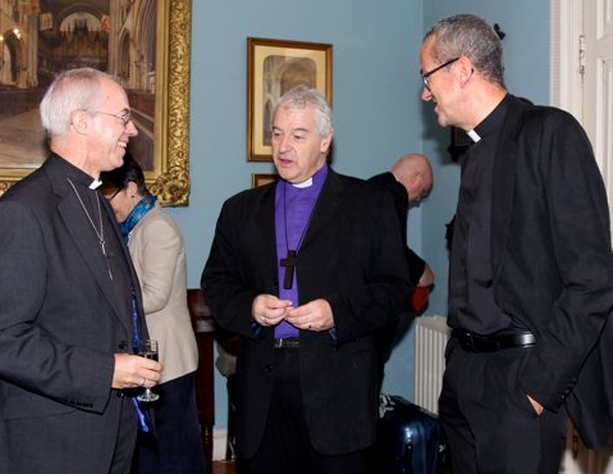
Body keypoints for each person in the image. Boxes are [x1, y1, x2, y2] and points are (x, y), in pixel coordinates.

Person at [420, 14, 613, 474]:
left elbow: (593, 280)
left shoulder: (551, 133)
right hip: (465, 376)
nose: (425, 93)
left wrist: (538, 387)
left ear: (462, 69)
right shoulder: (474, 152)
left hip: (520, 381)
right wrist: (456, 364)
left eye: (428, 77)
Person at [201, 85, 412, 474]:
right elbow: (216, 282)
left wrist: (337, 312)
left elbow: (395, 289)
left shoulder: (369, 204)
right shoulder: (240, 210)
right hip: (263, 387)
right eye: (277, 134)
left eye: (298, 136)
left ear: (325, 142)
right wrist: (250, 305)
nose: (283, 146)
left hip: (338, 391)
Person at [0, 67, 163, 474]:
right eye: (123, 117)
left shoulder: (96, 202)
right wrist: (105, 370)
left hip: (109, 430)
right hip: (46, 443)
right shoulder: (23, 211)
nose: (131, 131)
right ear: (80, 121)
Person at [100, 154, 206, 474]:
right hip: (149, 359)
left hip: (169, 362)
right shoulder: (135, 227)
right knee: (151, 454)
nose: (107, 205)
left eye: (109, 196)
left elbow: (155, 296)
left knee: (173, 453)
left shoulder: (158, 227)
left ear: (131, 189)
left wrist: (104, 304)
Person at [369, 153, 435, 306]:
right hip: (377, 296)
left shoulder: (373, 184)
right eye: (422, 192)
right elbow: (393, 249)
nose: (418, 199)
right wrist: (422, 272)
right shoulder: (395, 194)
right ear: (416, 178)